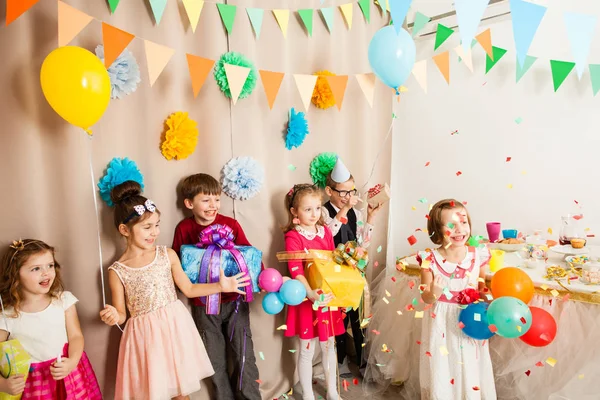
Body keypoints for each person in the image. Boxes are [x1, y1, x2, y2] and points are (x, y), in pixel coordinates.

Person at [100, 180, 250, 400]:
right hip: (145, 339)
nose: (154, 233)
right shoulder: (117, 270)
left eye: (157, 225)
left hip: (173, 331)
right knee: (154, 390)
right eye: (147, 227)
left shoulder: (166, 254)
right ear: (124, 229)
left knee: (180, 392)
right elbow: (122, 314)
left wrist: (220, 285)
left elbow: (188, 289)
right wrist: (114, 314)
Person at [172, 173, 261, 400]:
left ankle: (250, 397)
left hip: (235, 301)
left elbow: (249, 256)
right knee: (213, 359)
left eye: (217, 200)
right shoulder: (183, 228)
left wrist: (260, 277)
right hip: (203, 304)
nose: (213, 206)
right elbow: (178, 268)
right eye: (206, 200)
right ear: (189, 203)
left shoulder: (230, 224)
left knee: (243, 355)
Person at [0, 239, 102, 399]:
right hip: (34, 385)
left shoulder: (63, 301)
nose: (46, 273)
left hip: (67, 373)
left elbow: (76, 336)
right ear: (15, 275)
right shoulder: (7, 315)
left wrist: (72, 361)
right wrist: (3, 384)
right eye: (36, 269)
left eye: (50, 265)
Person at [418, 199, 495, 399]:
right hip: (442, 323)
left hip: (470, 321)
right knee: (444, 365)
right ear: (437, 229)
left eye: (464, 222)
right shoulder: (429, 259)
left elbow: (481, 285)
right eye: (451, 225)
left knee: (469, 363)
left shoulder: (478, 255)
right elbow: (425, 297)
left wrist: (488, 297)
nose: (459, 229)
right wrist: (434, 291)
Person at [283, 183, 345, 400]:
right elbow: (296, 270)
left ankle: (332, 391)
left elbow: (329, 263)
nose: (314, 214)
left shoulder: (325, 231)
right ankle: (308, 394)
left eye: (317, 208)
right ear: (294, 212)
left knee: (329, 346)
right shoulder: (293, 236)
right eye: (307, 209)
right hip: (307, 300)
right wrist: (310, 293)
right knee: (307, 349)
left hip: (326, 297)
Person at [321, 158, 381, 376]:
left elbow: (363, 243)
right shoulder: (324, 212)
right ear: (329, 190)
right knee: (339, 318)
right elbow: (328, 235)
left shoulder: (357, 213)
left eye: (351, 191)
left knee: (359, 318)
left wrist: (371, 218)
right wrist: (343, 210)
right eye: (343, 192)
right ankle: (340, 361)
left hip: (354, 271)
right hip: (333, 273)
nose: (348, 196)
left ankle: (364, 363)